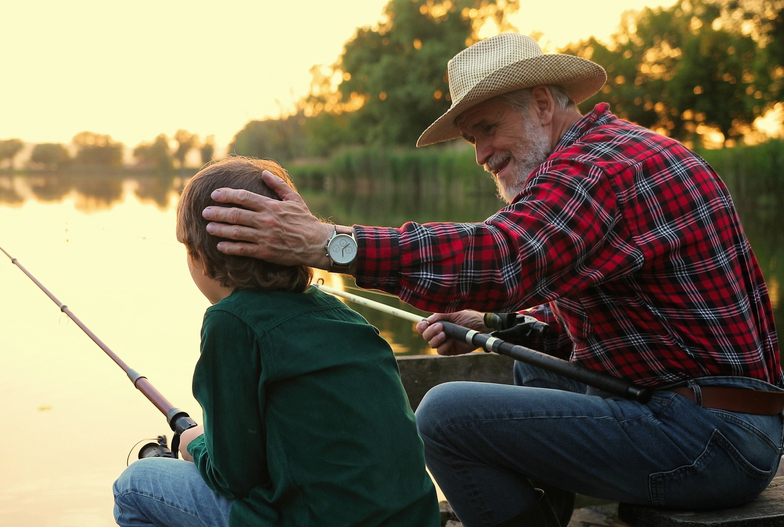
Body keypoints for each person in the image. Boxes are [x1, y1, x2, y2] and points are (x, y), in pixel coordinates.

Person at [199, 33, 783, 527]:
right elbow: (605, 318)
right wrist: (496, 325)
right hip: (716, 420)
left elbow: (503, 258)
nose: (480, 153)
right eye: (470, 137)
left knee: (444, 416)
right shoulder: (608, 155)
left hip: (715, 439)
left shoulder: (601, 169)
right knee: (530, 361)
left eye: (485, 128)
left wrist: (328, 243)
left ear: (541, 103)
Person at [112, 156, 440, 527]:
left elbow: (234, 477)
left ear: (201, 257)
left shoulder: (230, 320)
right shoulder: (340, 313)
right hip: (414, 518)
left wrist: (195, 443)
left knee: (133, 487)